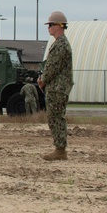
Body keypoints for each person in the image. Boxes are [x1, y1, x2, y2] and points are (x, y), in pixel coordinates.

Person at [38, 11, 73, 160]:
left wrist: (43, 80)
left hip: (57, 87)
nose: (49, 28)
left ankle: (60, 150)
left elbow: (53, 66)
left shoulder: (60, 44)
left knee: (55, 117)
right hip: (57, 87)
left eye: (51, 25)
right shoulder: (60, 43)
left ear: (59, 26)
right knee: (55, 116)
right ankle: (59, 149)